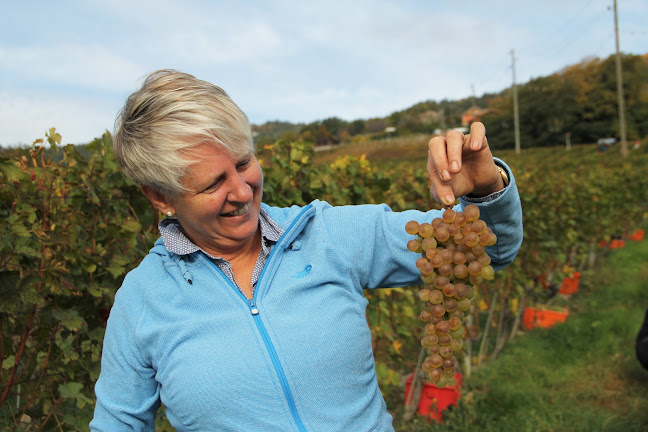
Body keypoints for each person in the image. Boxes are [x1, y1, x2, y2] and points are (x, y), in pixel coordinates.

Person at [90, 69, 523, 432]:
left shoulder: (327, 233)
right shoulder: (143, 298)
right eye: (212, 183)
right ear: (159, 196)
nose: (242, 191)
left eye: (243, 163)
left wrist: (485, 187)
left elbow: (489, 248)